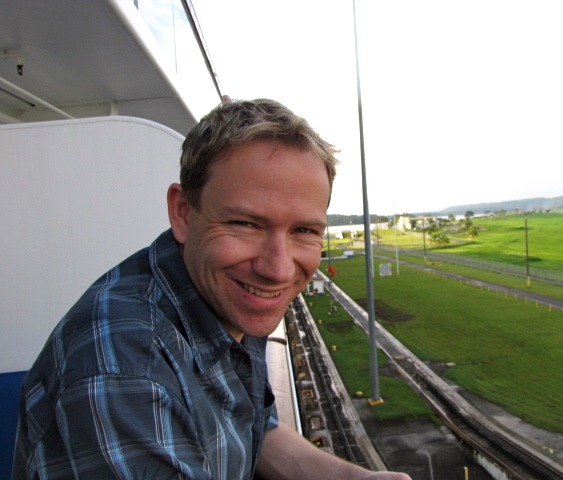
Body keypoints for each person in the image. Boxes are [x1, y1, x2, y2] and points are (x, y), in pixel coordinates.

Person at [12, 98, 411, 480]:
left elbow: (258, 430)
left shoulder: (223, 300)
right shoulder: (126, 367)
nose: (277, 268)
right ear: (183, 213)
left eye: (304, 230)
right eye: (245, 224)